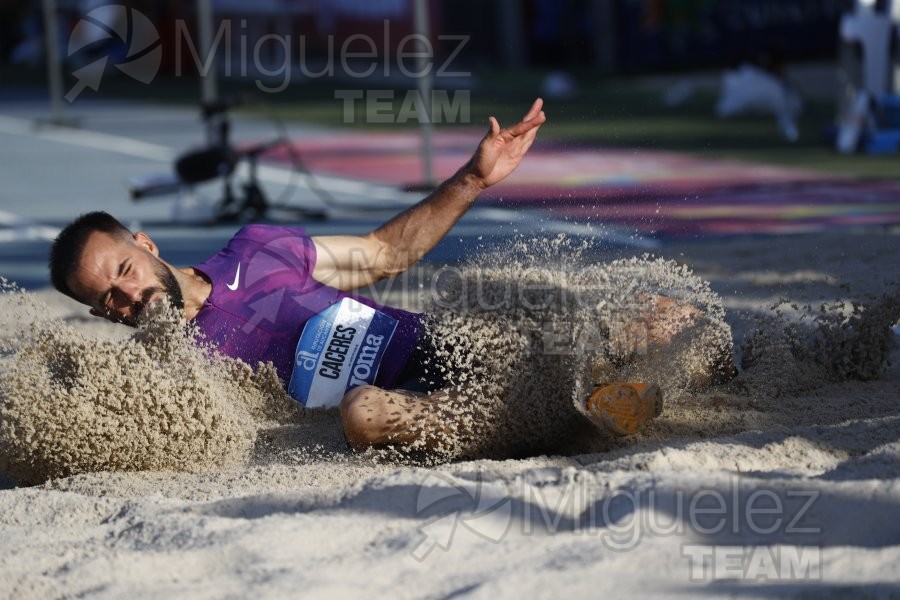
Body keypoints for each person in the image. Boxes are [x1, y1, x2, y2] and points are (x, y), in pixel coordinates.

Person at [47, 99, 719, 452]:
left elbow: (384, 255)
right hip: (421, 407)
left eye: (125, 271)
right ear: (104, 314)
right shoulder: (170, 375)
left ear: (145, 243)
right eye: (109, 299)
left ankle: (656, 385)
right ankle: (575, 419)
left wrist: (474, 177)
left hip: (449, 347)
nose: (130, 294)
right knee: (364, 415)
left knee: (666, 318)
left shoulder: (257, 247)